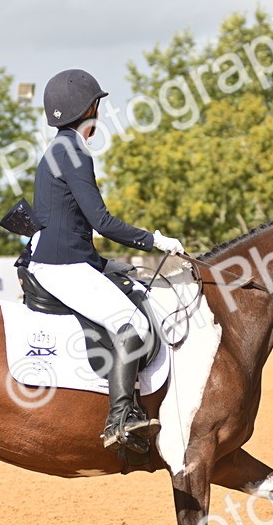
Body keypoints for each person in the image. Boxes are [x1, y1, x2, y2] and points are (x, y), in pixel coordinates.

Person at [27, 69, 185, 453]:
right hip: (62, 267)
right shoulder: (76, 154)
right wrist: (155, 240)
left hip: (62, 260)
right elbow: (101, 221)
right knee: (132, 322)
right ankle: (121, 417)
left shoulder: (56, 151)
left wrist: (104, 263)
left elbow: (68, 223)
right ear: (90, 108)